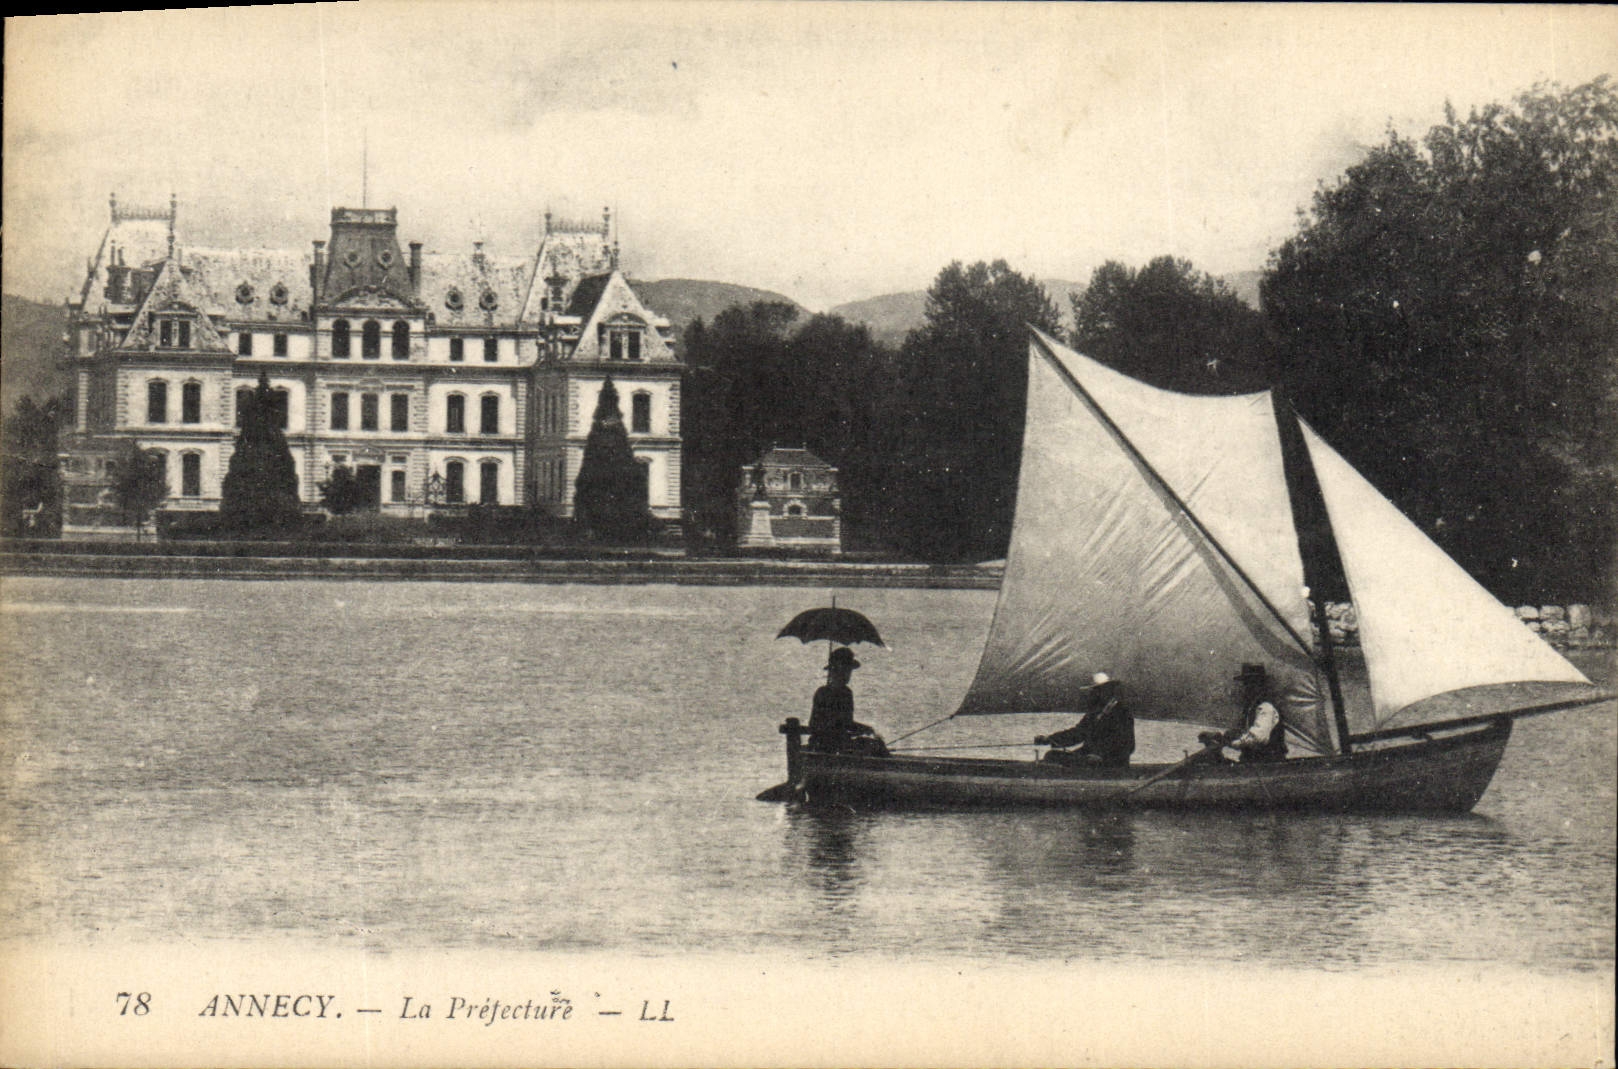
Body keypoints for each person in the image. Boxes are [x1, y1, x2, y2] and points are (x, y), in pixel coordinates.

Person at [1035, 672, 1134, 768]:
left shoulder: (1122, 712)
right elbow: (1077, 733)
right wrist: (1050, 739)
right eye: (1094, 691)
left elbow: (1128, 745)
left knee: (1064, 760)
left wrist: (1102, 756)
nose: (1094, 694)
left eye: (1098, 690)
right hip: (1088, 757)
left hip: (1111, 762)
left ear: (1109, 690)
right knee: (1051, 755)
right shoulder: (1094, 713)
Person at [1199, 663, 1288, 763]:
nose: (1246, 688)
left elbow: (1257, 738)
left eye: (1252, 684)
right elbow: (1239, 731)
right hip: (1252, 763)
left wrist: (1234, 743)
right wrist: (1222, 738)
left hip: (1268, 763)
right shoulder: (1251, 709)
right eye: (1246, 684)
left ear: (1260, 685)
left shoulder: (1266, 708)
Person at [808, 647, 888, 755]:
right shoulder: (827, 693)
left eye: (849, 670)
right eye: (845, 669)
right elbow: (840, 724)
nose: (848, 674)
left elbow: (846, 723)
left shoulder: (841, 692)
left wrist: (866, 729)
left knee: (876, 745)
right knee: (877, 747)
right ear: (835, 670)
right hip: (827, 745)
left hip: (832, 744)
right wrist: (865, 729)